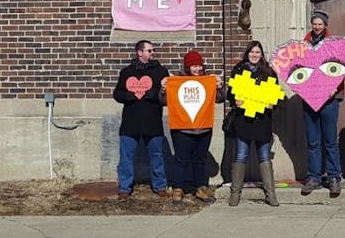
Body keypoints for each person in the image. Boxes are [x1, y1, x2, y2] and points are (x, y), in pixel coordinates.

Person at [161, 50, 224, 204]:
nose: (197, 69)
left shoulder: (206, 81)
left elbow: (220, 98)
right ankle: (178, 189)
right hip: (182, 129)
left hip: (203, 127)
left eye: (199, 65)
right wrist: (164, 89)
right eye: (194, 66)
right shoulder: (177, 82)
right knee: (181, 160)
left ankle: (200, 188)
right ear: (187, 67)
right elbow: (163, 101)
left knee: (200, 159)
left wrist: (220, 86)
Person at [112, 40, 170, 200]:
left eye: (153, 51)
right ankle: (124, 188)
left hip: (153, 121)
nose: (153, 53)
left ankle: (160, 186)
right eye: (149, 50)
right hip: (131, 121)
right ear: (139, 52)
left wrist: (154, 94)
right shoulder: (127, 72)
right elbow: (117, 94)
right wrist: (129, 96)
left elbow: (167, 95)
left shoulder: (161, 72)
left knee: (157, 155)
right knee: (126, 156)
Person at [227, 41, 280, 207]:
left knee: (264, 156)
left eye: (257, 52)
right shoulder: (238, 70)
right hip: (243, 121)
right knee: (241, 155)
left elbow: (275, 96)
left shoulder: (269, 72)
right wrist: (235, 101)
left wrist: (272, 103)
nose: (254, 55)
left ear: (261, 54)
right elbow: (230, 94)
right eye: (252, 52)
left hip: (262, 121)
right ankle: (235, 193)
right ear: (247, 53)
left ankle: (271, 194)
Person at [300, 10, 344, 198]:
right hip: (310, 99)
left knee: (330, 141)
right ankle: (314, 177)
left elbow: (341, 67)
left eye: (320, 24)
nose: (317, 27)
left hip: (329, 99)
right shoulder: (303, 45)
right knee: (313, 141)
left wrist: (335, 87)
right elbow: (296, 68)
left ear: (325, 25)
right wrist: (298, 85)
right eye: (315, 24)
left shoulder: (333, 45)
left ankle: (334, 177)